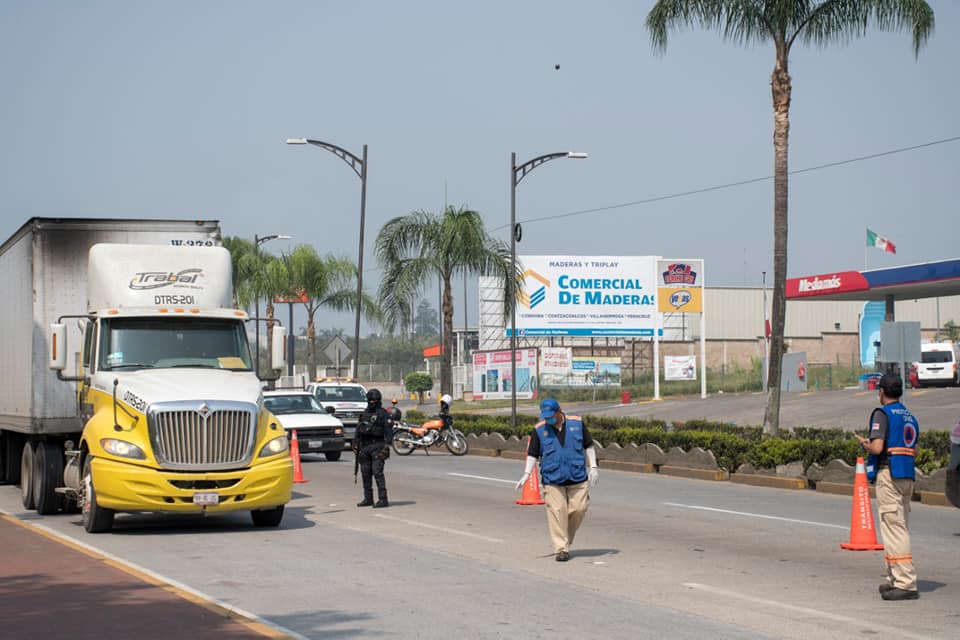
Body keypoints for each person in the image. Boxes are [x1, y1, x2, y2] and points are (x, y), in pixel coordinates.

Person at [856, 372, 920, 601]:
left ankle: (905, 582)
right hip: (907, 474)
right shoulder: (910, 416)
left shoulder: (882, 414)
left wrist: (866, 443)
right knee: (898, 525)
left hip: (889, 473)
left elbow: (877, 447)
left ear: (881, 391)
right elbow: (916, 450)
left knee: (894, 527)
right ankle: (894, 578)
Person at [515, 398, 599, 562]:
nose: (548, 420)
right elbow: (533, 453)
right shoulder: (540, 430)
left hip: (577, 477)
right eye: (545, 417)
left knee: (579, 509)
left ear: (559, 411)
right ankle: (562, 549)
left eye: (551, 416)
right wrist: (526, 474)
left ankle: (564, 537)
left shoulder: (577, 424)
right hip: (552, 479)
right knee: (557, 511)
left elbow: (588, 445)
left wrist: (594, 467)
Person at [354, 388, 393, 508]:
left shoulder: (383, 414)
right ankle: (368, 498)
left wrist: (387, 446)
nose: (372, 402)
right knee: (365, 474)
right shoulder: (365, 413)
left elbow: (388, 431)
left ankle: (383, 499)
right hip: (364, 447)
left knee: (377, 473)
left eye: (374, 400)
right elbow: (358, 430)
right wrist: (355, 444)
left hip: (377, 446)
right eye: (370, 400)